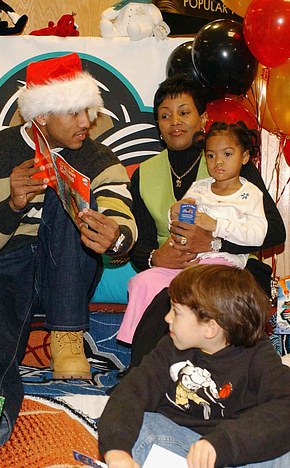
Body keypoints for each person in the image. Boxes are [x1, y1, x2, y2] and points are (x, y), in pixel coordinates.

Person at [0, 53, 137, 445]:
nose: (86, 122)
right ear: (42, 116)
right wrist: (11, 206)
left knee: (66, 194)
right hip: (2, 266)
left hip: (67, 265)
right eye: (72, 112)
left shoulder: (99, 157)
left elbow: (121, 216)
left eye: (87, 110)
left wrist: (115, 237)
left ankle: (67, 333)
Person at [124, 73, 285, 371]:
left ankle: (148, 375)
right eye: (165, 115)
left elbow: (275, 231)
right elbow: (139, 243)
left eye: (184, 112)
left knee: (180, 296)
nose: (175, 122)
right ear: (157, 124)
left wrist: (215, 242)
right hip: (171, 269)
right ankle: (151, 376)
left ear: (203, 118)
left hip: (235, 265)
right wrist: (156, 257)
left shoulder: (227, 159)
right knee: (157, 287)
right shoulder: (143, 174)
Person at [99, 264, 290, 468]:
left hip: (236, 448)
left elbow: (284, 406)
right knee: (142, 425)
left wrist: (224, 443)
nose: (166, 318)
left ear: (210, 328)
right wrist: (116, 451)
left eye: (176, 312)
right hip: (179, 445)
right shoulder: (169, 348)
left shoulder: (258, 355)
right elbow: (131, 392)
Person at [119, 121, 267, 342]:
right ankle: (138, 344)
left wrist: (216, 226)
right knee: (142, 281)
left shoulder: (250, 193)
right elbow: (181, 221)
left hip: (224, 264)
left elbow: (258, 234)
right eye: (210, 156)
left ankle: (186, 347)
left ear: (244, 157)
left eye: (227, 154)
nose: (218, 162)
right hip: (187, 260)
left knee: (190, 287)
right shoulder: (200, 188)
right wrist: (175, 214)